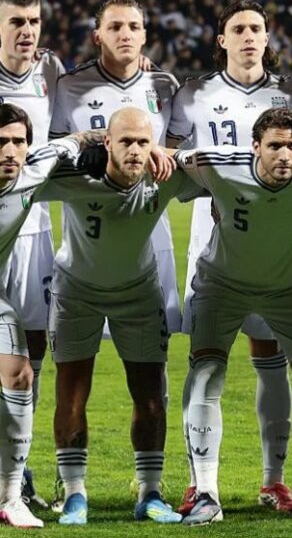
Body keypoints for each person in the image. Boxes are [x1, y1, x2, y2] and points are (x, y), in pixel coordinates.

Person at [172, 107, 292, 525]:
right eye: (274, 146)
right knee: (206, 374)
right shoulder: (217, 162)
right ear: (255, 146)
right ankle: (206, 495)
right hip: (221, 286)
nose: (285, 155)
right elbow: (168, 158)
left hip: (289, 290)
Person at [167, 0, 292, 514]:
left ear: (267, 38)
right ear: (221, 39)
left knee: (271, 359)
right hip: (212, 242)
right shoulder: (194, 94)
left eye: (256, 29)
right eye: (238, 29)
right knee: (207, 361)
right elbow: (168, 156)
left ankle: (274, 481)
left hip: (272, 246)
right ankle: (198, 481)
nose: (248, 36)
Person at [39, 107, 201, 526]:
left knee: (150, 395)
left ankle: (150, 493)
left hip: (138, 293)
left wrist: (172, 155)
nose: (134, 150)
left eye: (143, 142)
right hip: (76, 294)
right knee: (71, 394)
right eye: (125, 141)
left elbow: (217, 169)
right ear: (107, 142)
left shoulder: (163, 177)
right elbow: (26, 167)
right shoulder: (75, 176)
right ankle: (74, 495)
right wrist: (78, 141)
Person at [50, 0, 181, 333]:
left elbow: (180, 155)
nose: (125, 34)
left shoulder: (165, 85)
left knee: (152, 344)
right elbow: (55, 154)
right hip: (88, 235)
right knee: (81, 343)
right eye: (115, 27)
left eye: (134, 27)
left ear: (144, 35)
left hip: (151, 229)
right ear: (97, 36)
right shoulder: (69, 86)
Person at [0, 102, 103, 529]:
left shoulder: (31, 172)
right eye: (1, 142)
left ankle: (10, 496)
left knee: (20, 375)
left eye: (18, 142)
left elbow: (70, 142)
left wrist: (107, 138)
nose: (10, 151)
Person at [0, 0, 65, 507]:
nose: (27, 30)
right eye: (16, 21)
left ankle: (17, 470)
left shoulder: (51, 71)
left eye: (34, 21)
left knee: (33, 349)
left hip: (35, 228)